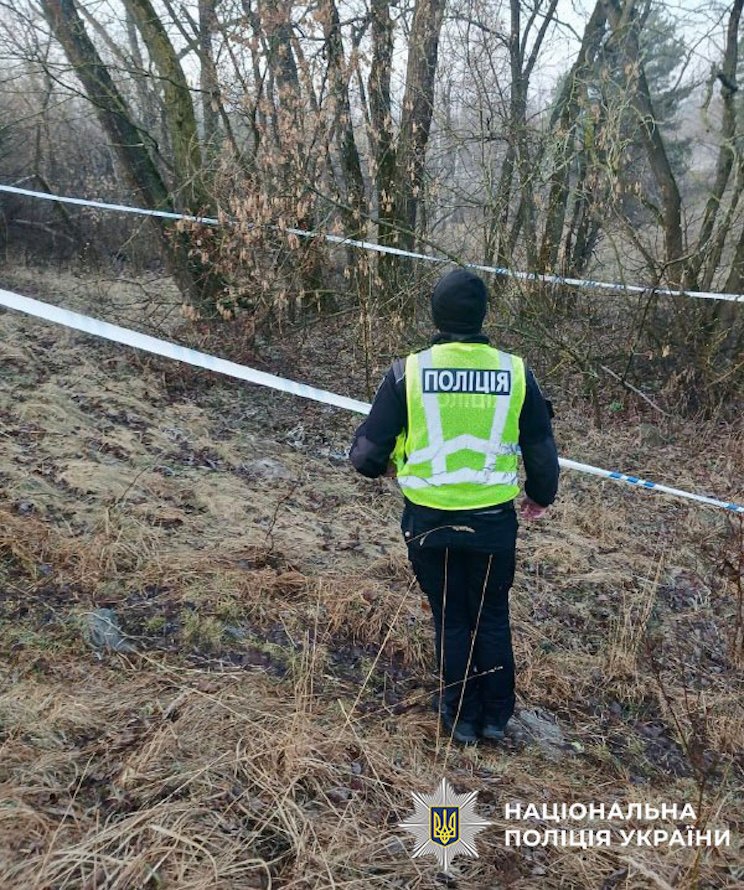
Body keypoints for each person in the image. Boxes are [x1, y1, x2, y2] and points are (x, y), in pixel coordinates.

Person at [349, 268, 559, 744]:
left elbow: (366, 456)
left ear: (436, 315)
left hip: (429, 520)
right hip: (492, 522)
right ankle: (495, 719)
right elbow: (542, 445)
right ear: (483, 314)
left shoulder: (409, 371)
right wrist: (541, 496)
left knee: (450, 616)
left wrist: (385, 467)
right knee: (491, 615)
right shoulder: (515, 371)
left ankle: (459, 718)